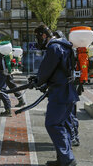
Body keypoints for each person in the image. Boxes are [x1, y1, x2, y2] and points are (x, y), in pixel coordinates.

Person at [33, 25, 79, 166]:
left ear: (44, 35)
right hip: (67, 91)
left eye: (38, 36)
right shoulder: (64, 45)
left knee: (52, 124)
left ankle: (67, 159)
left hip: (60, 93)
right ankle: (62, 158)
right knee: (62, 124)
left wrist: (38, 80)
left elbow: (47, 69)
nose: (38, 40)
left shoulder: (54, 47)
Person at [53, 30, 80, 147]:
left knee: (69, 114)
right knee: (69, 113)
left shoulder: (65, 50)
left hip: (68, 87)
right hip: (70, 86)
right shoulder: (68, 49)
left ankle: (73, 137)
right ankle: (73, 137)